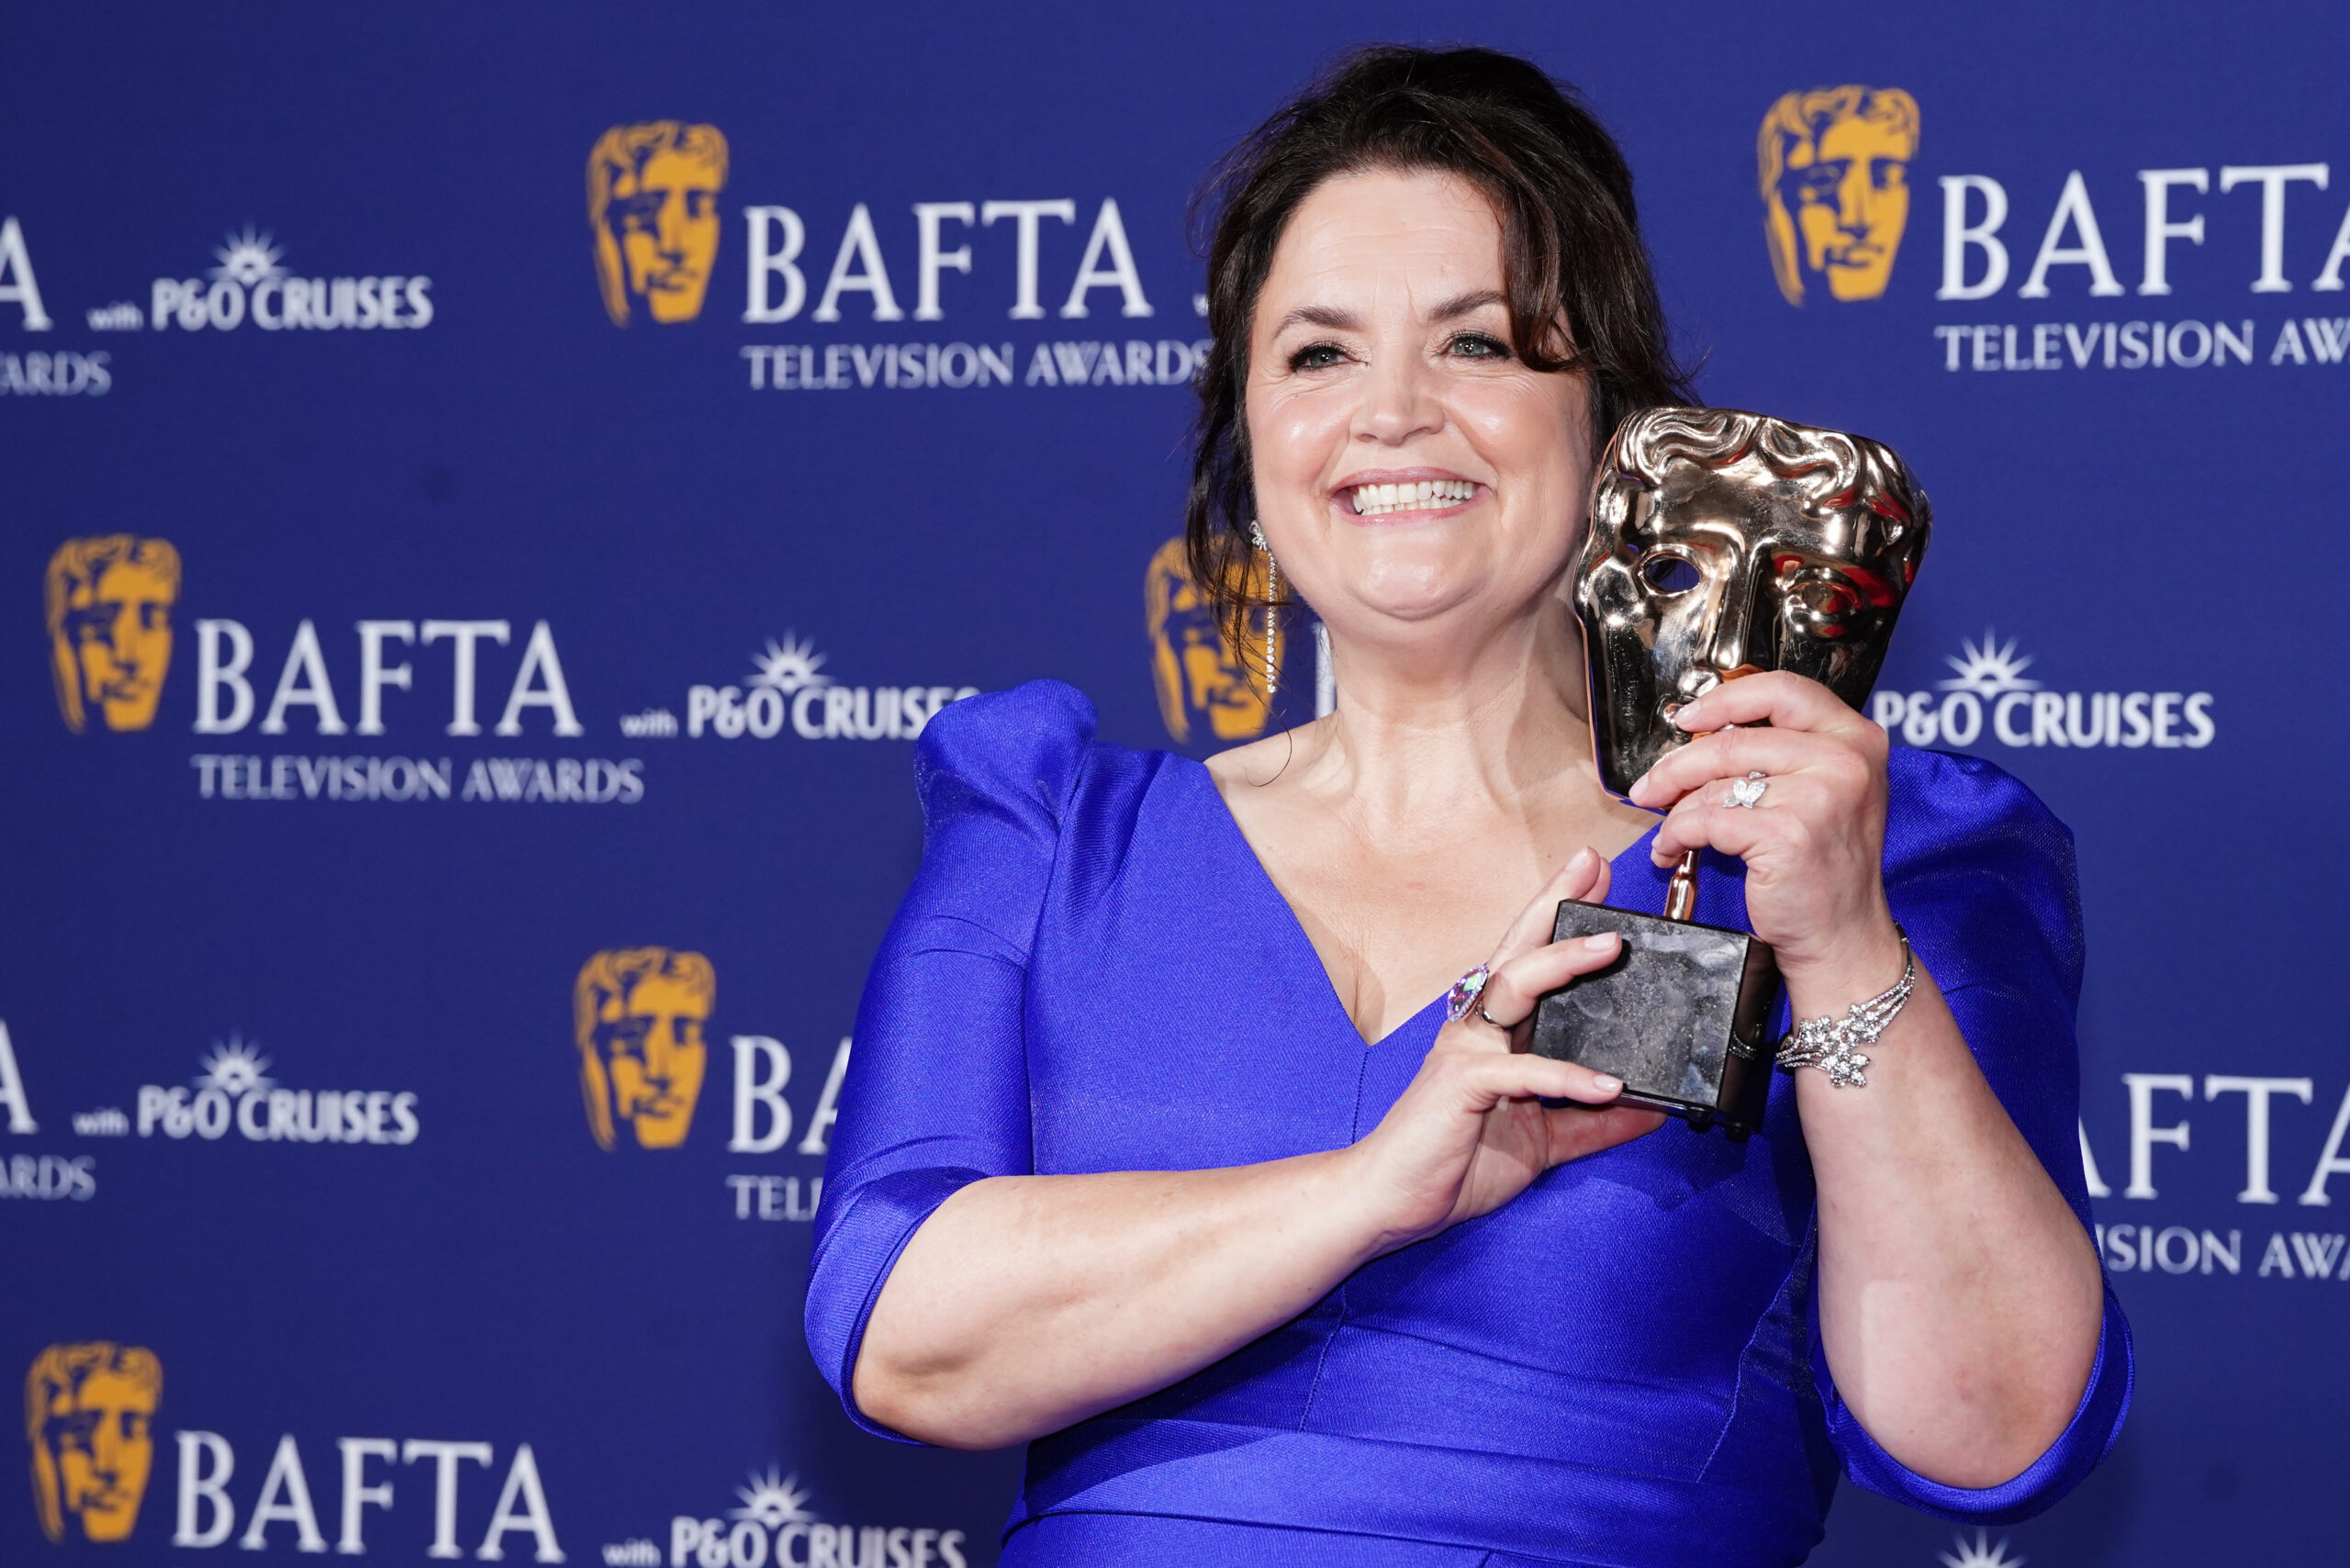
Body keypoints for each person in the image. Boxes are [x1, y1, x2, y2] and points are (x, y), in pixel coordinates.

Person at [806, 46, 2128, 1567]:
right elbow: (899, 1337)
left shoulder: (1850, 851)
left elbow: (1990, 1430)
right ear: (1247, 431)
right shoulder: (1051, 832)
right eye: (1318, 355)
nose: (1393, 413)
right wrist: (1376, 1189)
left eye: (1479, 343)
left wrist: (1836, 949)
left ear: (1613, 423)